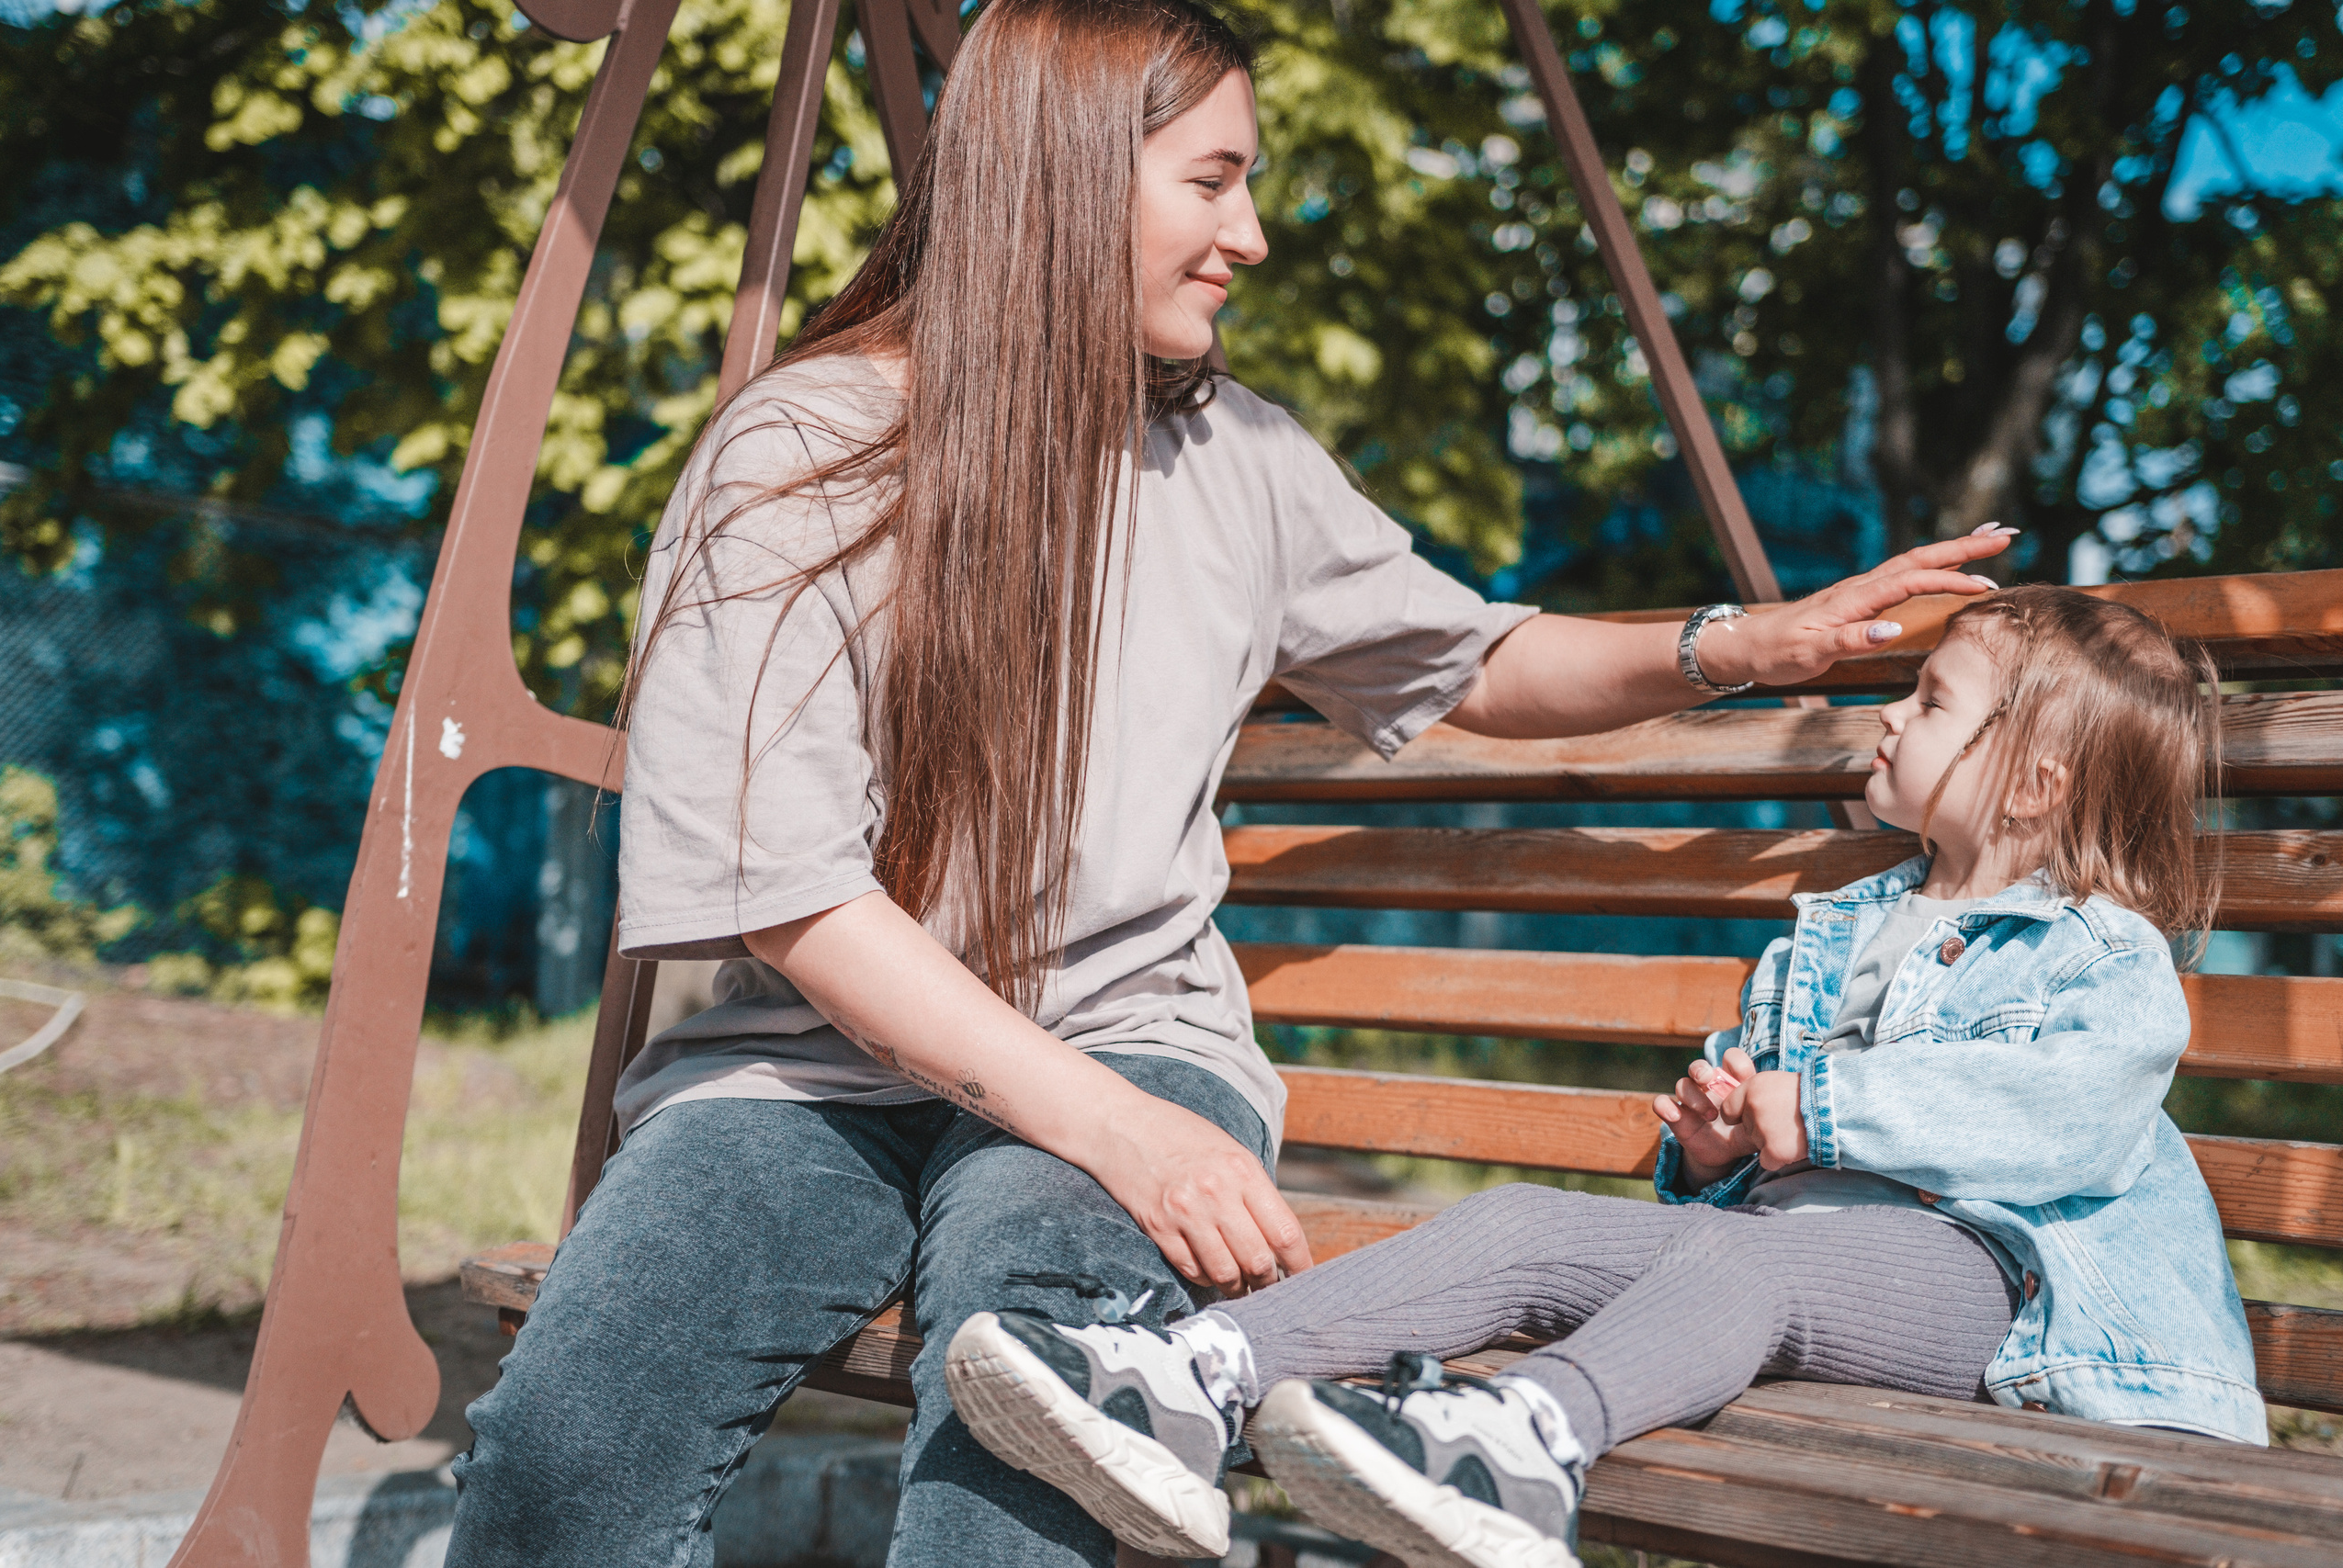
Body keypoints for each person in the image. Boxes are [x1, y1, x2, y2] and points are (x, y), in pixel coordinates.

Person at [440, 1, 2011, 1563]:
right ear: (1063, 175)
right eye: (1212, 180)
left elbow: (1469, 659)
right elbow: (793, 896)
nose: (1250, 235)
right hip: (814, 1071)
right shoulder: (801, 453)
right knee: (564, 1449)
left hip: (1135, 1036)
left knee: (1032, 1404)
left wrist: (1745, 642)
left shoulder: (1242, 458)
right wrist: (1127, 1138)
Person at [945, 584, 2262, 1568]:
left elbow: (2070, 1121)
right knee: (1525, 1223)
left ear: (2034, 785)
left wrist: (1821, 1112)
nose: (1888, 713)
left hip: (1994, 1294)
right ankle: (1194, 1381)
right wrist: (1715, 1150)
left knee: (1751, 1266)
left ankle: (1527, 1449)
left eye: (1929, 704)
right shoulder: (1846, 924)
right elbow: (1757, 1178)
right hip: (1801, 1267)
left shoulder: (2100, 954)